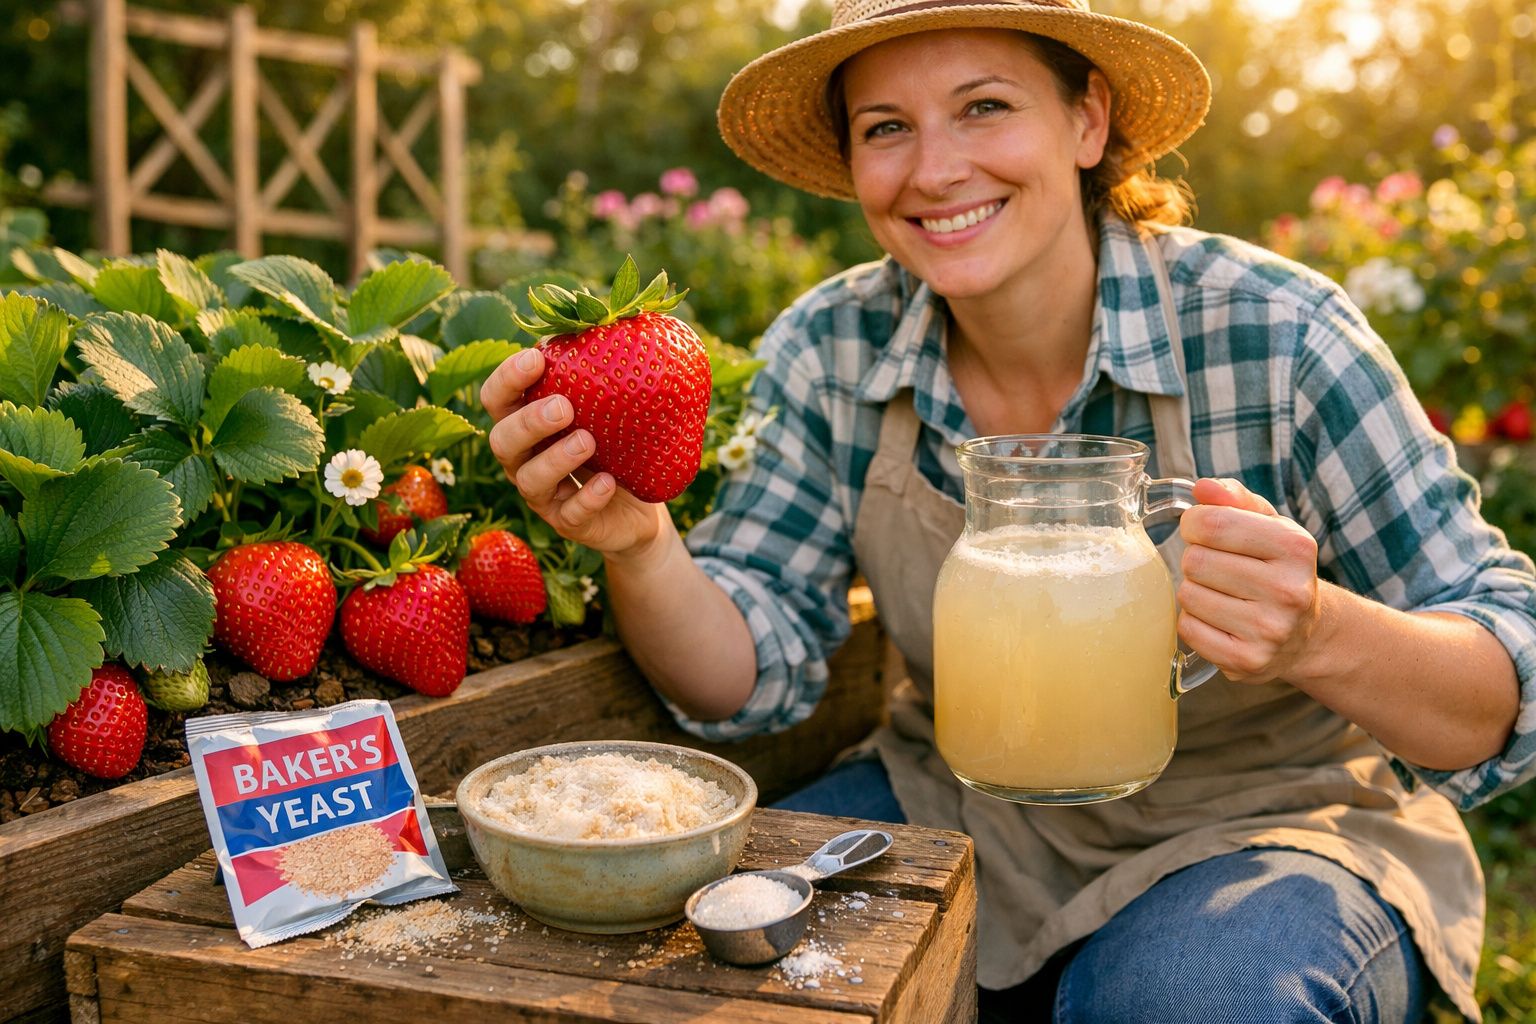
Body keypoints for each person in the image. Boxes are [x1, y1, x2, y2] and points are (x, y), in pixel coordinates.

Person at [481, 0, 1536, 1019]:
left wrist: (1319, 630)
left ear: (1088, 120)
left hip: (1274, 828)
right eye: (886, 127)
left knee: (1186, 999)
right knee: (722, 942)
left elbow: (1506, 677)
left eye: (985, 106)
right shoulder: (835, 347)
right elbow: (740, 676)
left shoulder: (1279, 334)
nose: (935, 170)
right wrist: (638, 540)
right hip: (959, 797)